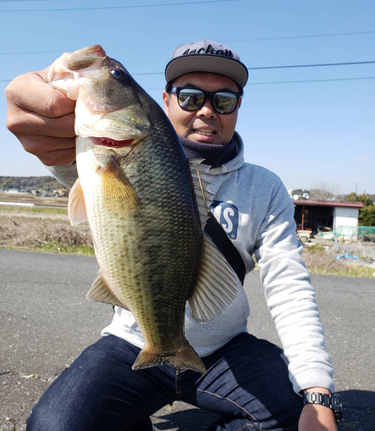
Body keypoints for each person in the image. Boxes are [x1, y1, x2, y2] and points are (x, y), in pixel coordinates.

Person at [5, 40, 341, 431]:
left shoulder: (264, 187)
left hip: (225, 350)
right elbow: (63, 161)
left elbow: (290, 286)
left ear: (238, 108)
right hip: (130, 342)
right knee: (55, 426)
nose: (205, 110)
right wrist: (49, 108)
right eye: (190, 96)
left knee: (294, 415)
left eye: (224, 100)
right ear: (165, 100)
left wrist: (317, 392)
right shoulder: (97, 152)